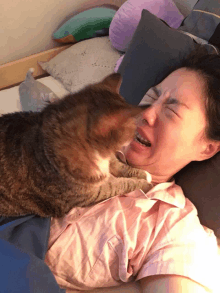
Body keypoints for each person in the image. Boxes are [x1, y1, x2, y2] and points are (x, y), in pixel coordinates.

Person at [45, 46, 220, 293]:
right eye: (150, 97)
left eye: (171, 110)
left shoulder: (171, 226)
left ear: (207, 149)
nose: (145, 114)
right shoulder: (80, 138)